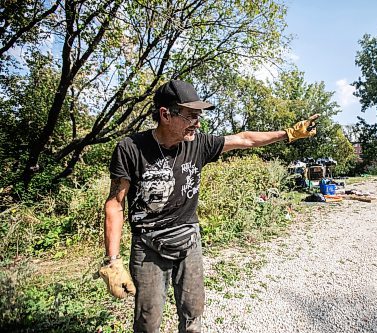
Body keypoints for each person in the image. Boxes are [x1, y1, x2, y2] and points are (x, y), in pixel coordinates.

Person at [98, 79, 319, 333]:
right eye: (191, 116)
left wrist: (289, 134)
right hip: (148, 246)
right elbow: (115, 204)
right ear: (165, 114)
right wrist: (112, 261)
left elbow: (245, 139)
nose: (198, 123)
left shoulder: (198, 143)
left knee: (193, 315)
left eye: (199, 116)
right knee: (148, 322)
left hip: (188, 240)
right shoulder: (130, 149)